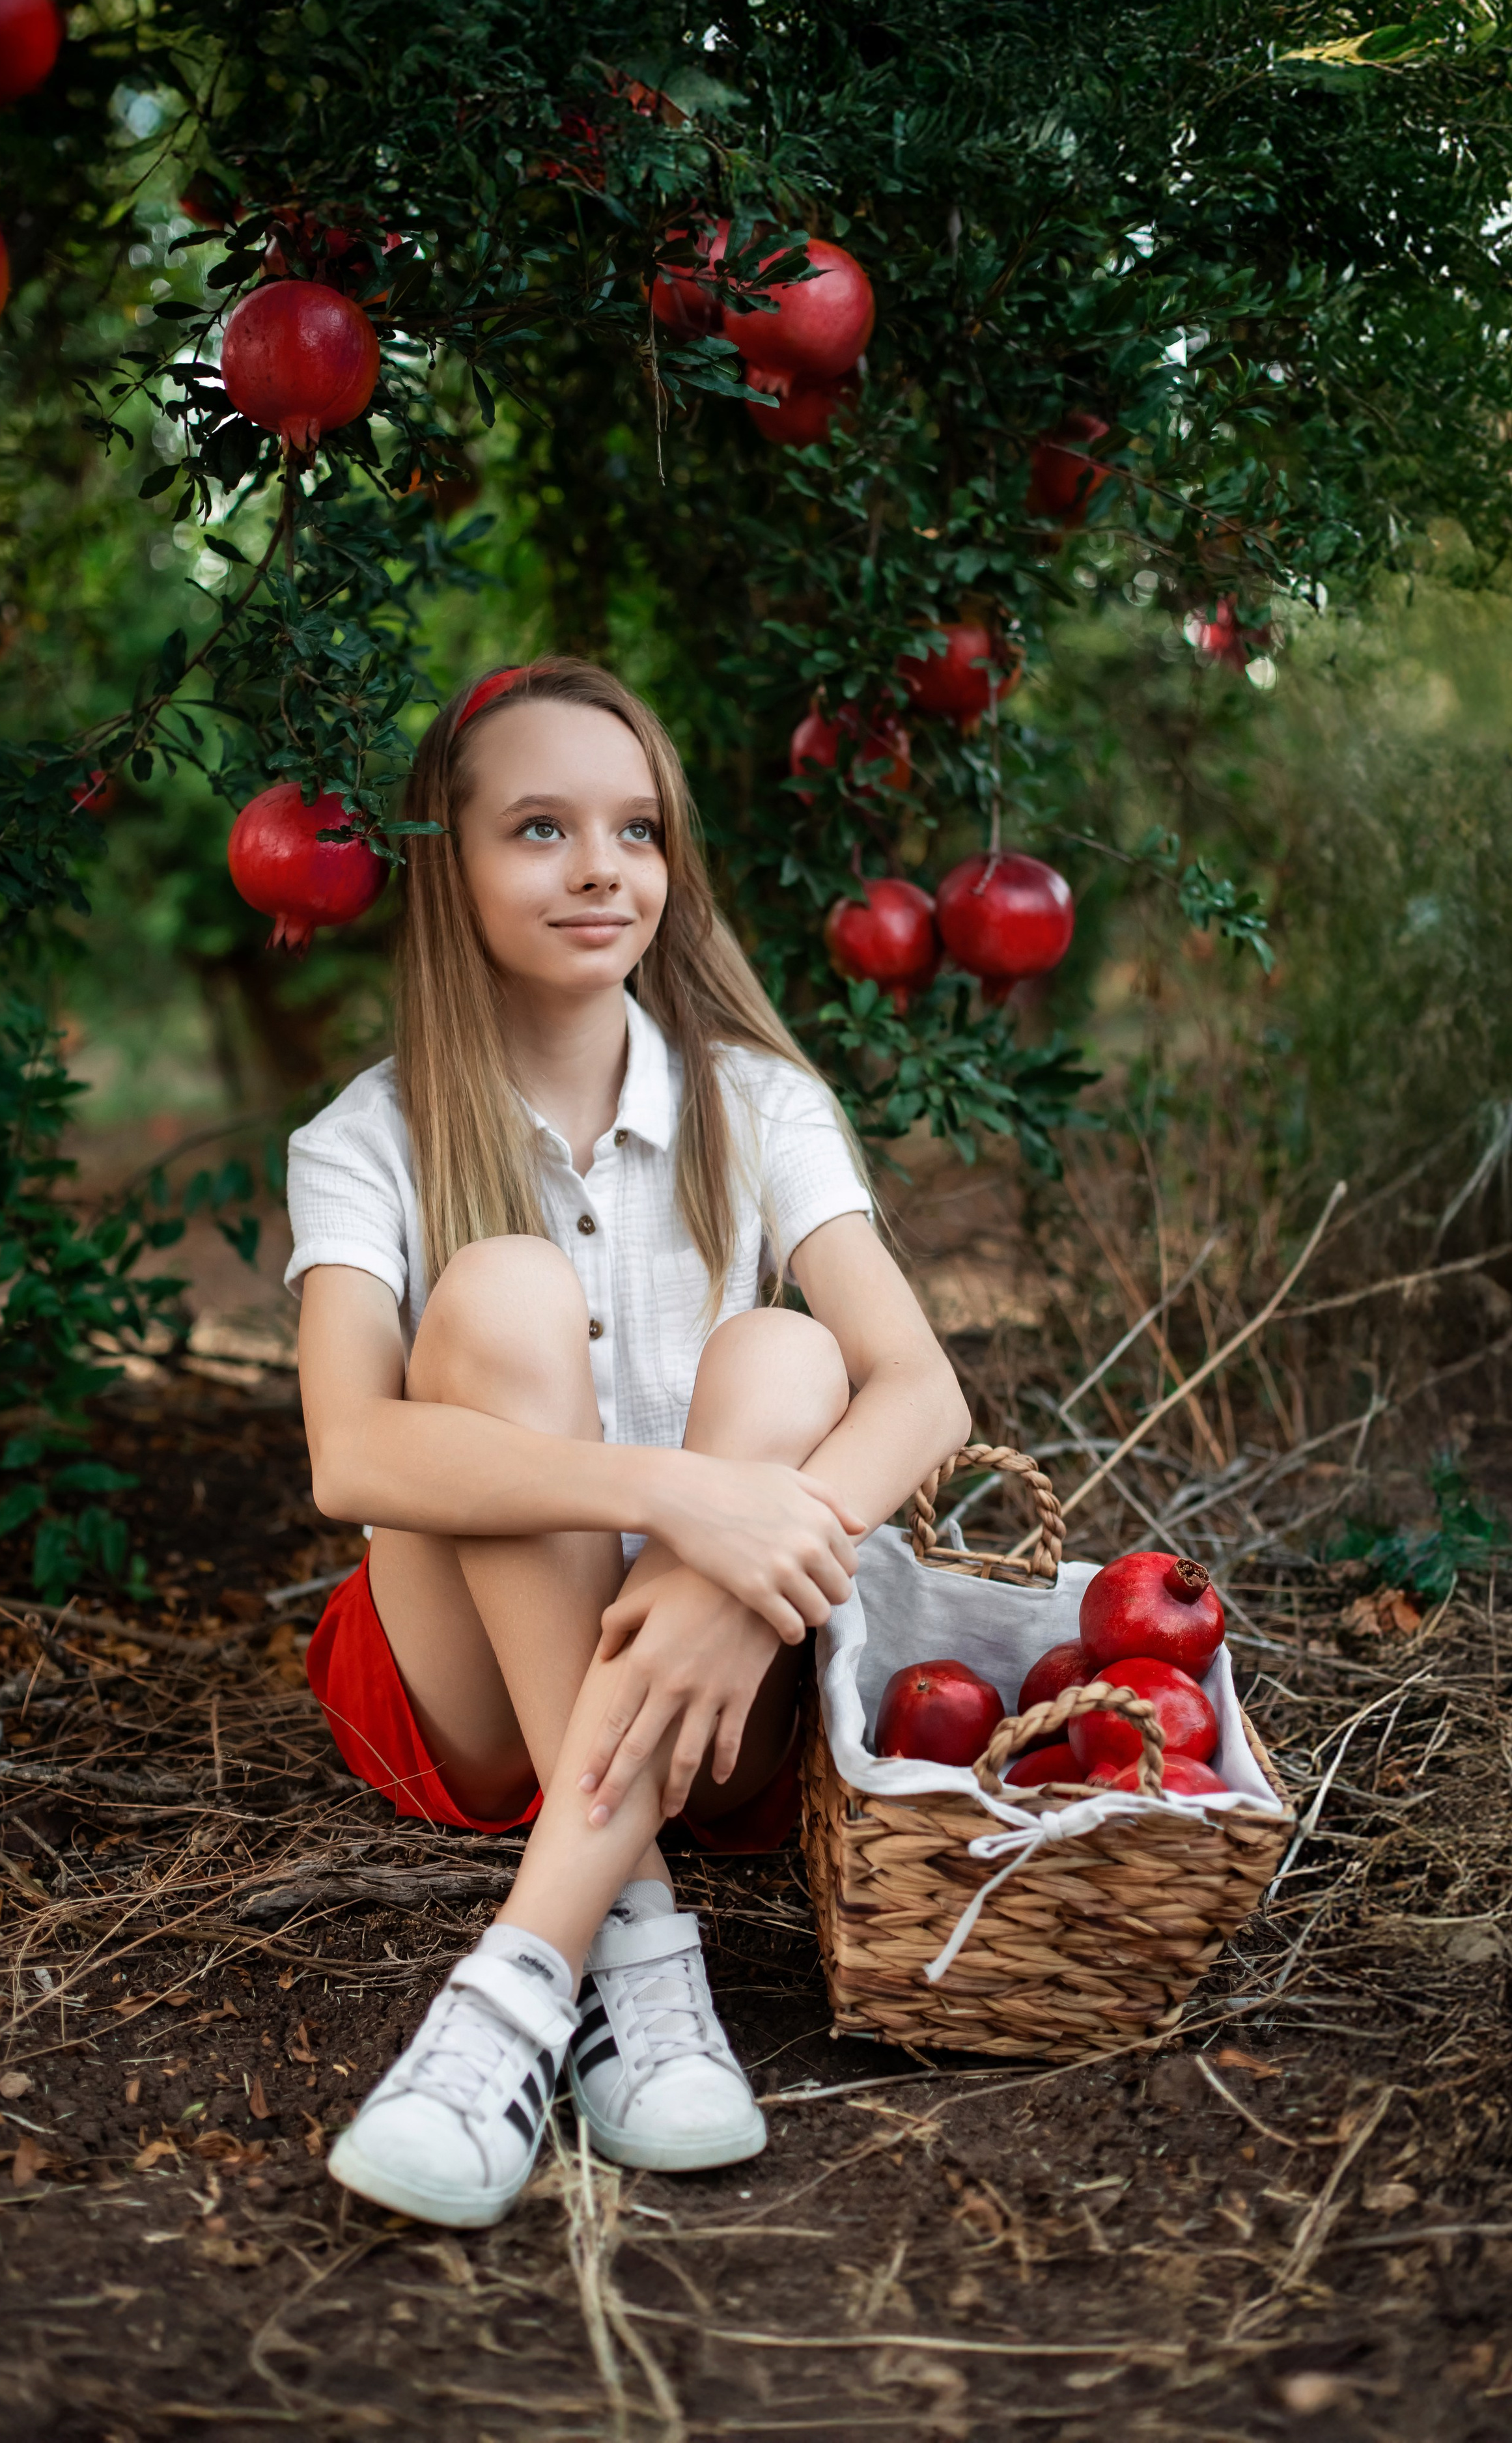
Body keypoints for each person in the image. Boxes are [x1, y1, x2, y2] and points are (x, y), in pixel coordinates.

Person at [287, 658, 968, 2228]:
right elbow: (348, 1458)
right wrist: (683, 1498)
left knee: (793, 1352)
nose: (602, 868)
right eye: (538, 828)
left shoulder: (760, 1100)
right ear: (443, 866)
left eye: (636, 830)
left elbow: (920, 1392)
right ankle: (635, 1942)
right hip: (467, 1691)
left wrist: (734, 1551)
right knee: (505, 1293)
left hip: (722, 1693)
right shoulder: (367, 1138)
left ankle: (524, 1988)